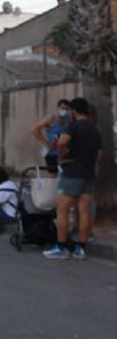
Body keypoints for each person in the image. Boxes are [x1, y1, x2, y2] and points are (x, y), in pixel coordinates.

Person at [44, 97, 102, 260]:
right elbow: (100, 155)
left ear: (74, 111)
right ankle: (81, 248)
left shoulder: (73, 125)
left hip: (72, 172)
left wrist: (62, 156)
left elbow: (62, 143)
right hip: (89, 174)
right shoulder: (94, 129)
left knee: (62, 210)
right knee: (84, 211)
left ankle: (61, 247)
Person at [31, 99, 72, 175]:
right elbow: (35, 130)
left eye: (67, 109)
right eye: (63, 108)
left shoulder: (70, 119)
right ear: (58, 108)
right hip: (52, 152)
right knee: (53, 174)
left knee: (66, 174)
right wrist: (46, 143)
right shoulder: (51, 119)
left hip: (65, 151)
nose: (65, 111)